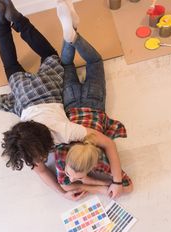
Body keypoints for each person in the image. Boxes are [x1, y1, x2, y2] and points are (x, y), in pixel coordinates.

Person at [0, 0, 126, 200]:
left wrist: (64, 193)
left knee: (49, 55)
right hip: (26, 94)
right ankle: (9, 21)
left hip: (48, 92)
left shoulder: (63, 131)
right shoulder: (27, 138)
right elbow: (43, 170)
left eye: (42, 157)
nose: (42, 160)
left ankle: (4, 20)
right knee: (16, 64)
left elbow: (42, 171)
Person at [54, 1, 133, 197]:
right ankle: (71, 34)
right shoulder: (62, 155)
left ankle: (73, 35)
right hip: (72, 103)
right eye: (74, 176)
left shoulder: (73, 157)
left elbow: (66, 187)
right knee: (67, 66)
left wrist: (89, 184)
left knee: (94, 61)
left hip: (94, 102)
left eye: (72, 176)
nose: (71, 179)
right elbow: (127, 186)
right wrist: (99, 184)